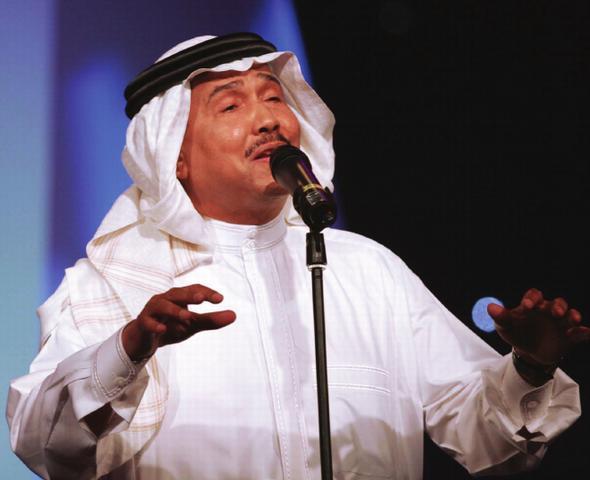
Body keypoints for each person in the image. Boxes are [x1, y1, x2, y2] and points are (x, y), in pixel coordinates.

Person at [6, 32, 589, 480]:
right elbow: (44, 445)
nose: (268, 120)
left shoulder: (368, 270)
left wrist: (531, 368)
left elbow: (487, 438)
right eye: (230, 107)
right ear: (172, 156)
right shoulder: (112, 283)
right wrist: (128, 350)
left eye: (273, 97)